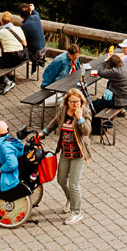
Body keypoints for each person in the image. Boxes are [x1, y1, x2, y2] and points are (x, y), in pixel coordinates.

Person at [42, 86, 92, 225]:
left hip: (79, 153)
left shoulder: (85, 112)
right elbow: (56, 121)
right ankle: (71, 199)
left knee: (73, 183)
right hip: (65, 151)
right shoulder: (63, 109)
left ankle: (76, 212)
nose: (75, 104)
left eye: (77, 101)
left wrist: (80, 118)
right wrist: (44, 132)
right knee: (61, 180)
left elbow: (87, 131)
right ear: (67, 102)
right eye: (72, 102)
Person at [0, 119, 25, 200]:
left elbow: (12, 164)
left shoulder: (5, 146)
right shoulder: (10, 140)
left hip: (11, 174)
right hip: (13, 170)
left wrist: (1, 169)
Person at [0, 12, 27, 93]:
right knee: (1, 62)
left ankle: (6, 81)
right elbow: (24, 44)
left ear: (1, 21)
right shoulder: (19, 28)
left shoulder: (2, 32)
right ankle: (6, 79)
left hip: (10, 58)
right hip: (20, 56)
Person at [90, 53, 127, 120]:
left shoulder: (116, 72)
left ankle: (98, 123)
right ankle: (104, 102)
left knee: (92, 105)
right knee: (109, 83)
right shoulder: (126, 66)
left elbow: (100, 72)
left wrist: (105, 61)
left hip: (120, 102)